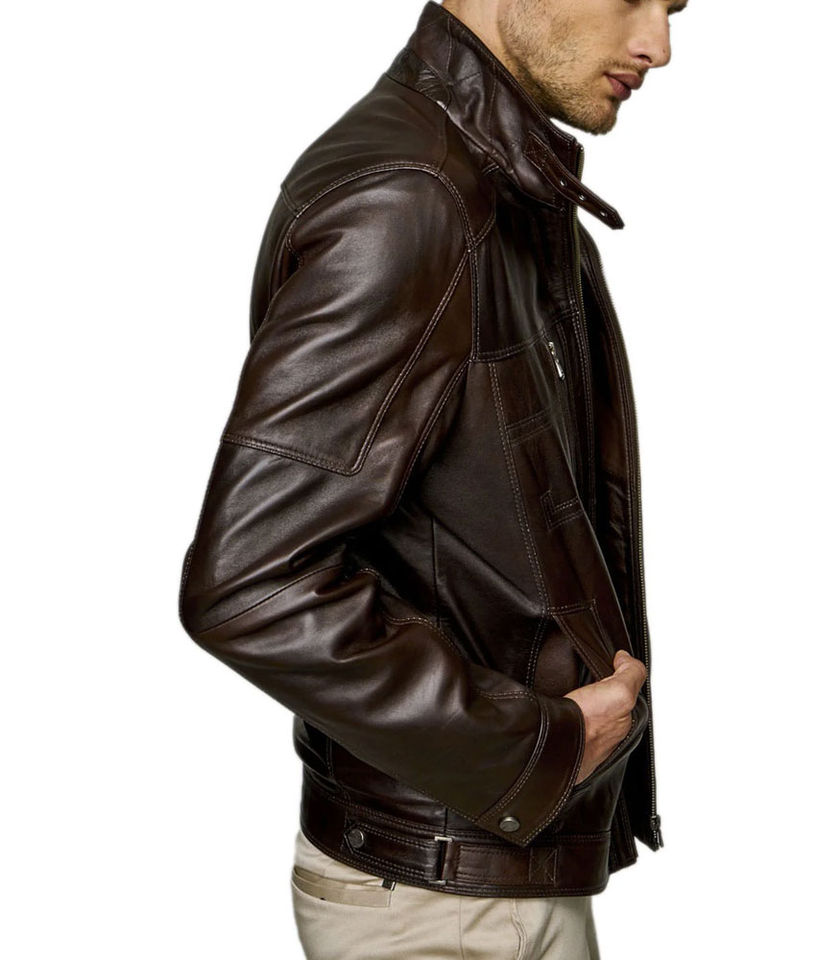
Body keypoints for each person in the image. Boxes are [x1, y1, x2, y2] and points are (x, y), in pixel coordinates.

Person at [178, 1, 684, 956]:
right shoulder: (412, 197)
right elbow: (249, 586)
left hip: (487, 868)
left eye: (674, 9)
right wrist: (534, 748)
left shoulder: (496, 188)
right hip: (444, 901)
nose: (659, 45)